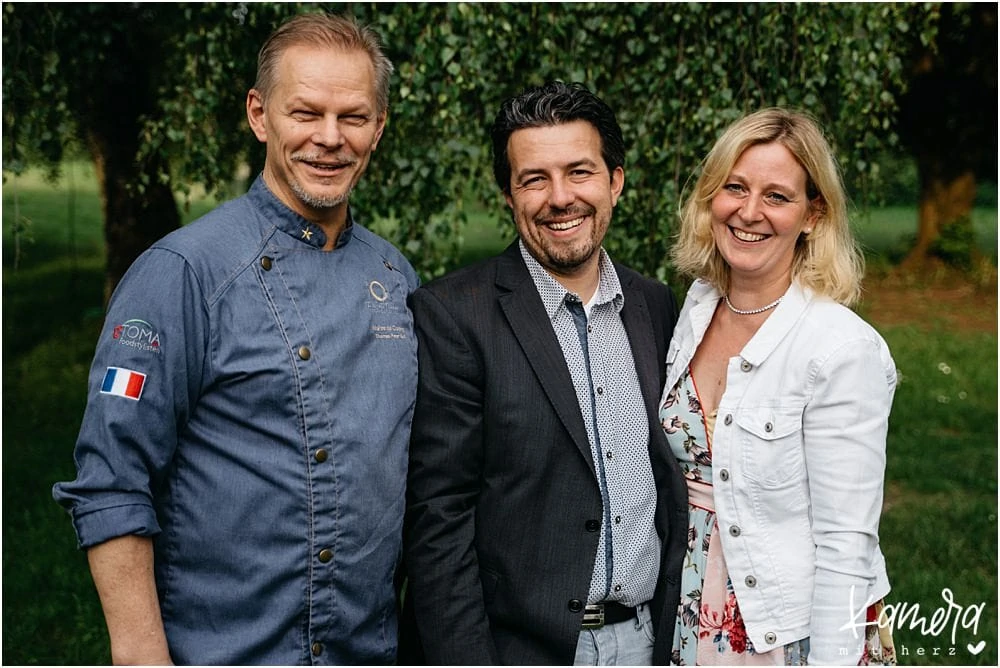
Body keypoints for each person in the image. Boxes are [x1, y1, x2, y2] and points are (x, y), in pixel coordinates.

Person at [52, 13, 419, 665]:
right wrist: (141, 657)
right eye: (305, 113)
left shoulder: (393, 273)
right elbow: (111, 479)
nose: (329, 139)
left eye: (353, 117)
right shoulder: (182, 274)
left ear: (380, 126)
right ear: (259, 115)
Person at [400, 81, 689, 666]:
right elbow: (438, 519)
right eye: (534, 179)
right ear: (509, 195)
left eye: (579, 172)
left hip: (646, 640)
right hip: (517, 649)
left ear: (616, 181)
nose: (560, 198)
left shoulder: (656, 306)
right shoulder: (455, 315)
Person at [659, 107, 897, 666]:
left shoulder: (841, 350)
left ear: (814, 213)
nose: (748, 212)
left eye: (777, 196)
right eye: (734, 188)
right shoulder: (695, 308)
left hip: (787, 627)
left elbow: (847, 545)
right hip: (689, 607)